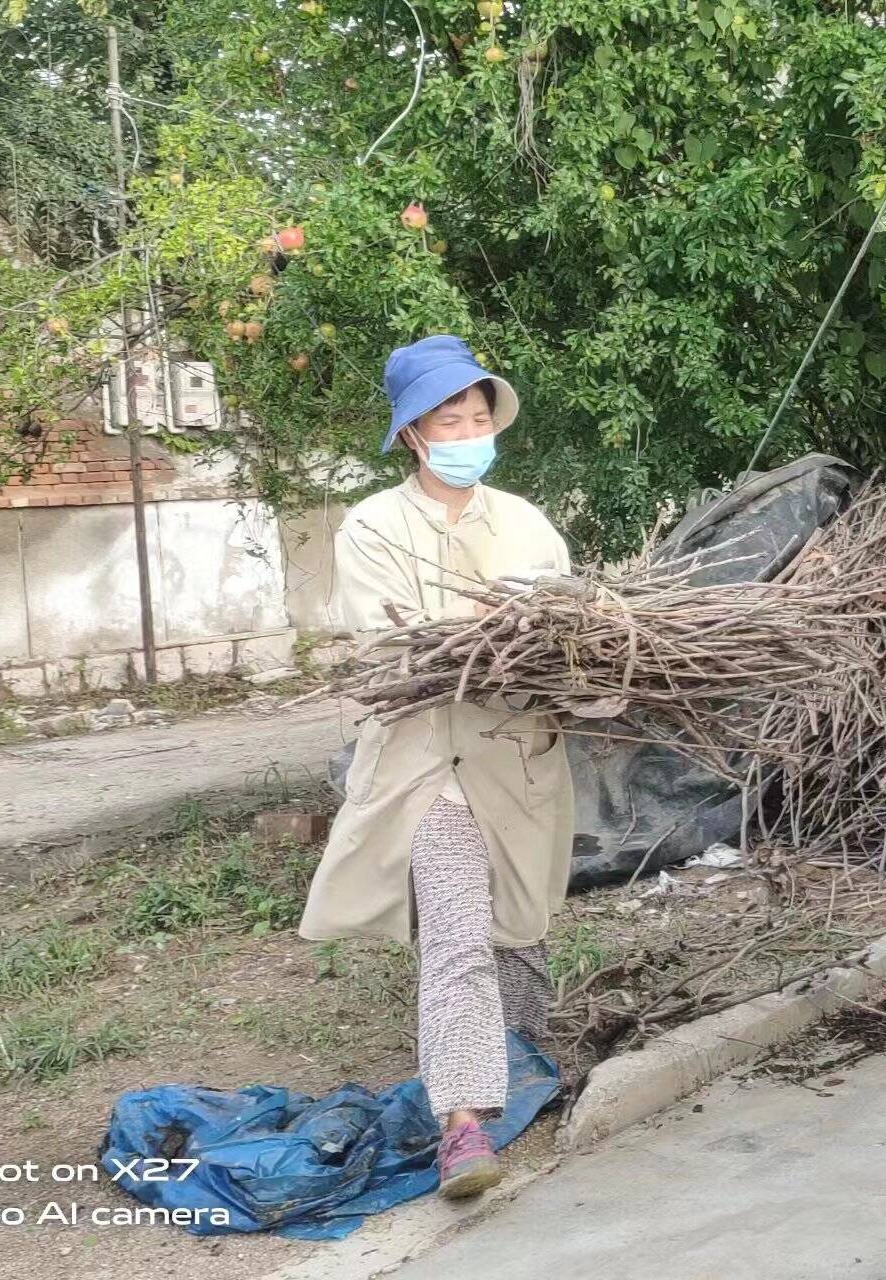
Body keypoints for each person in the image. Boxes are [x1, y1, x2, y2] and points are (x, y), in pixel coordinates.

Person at [298, 335, 575, 1201]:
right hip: (427, 764)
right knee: (455, 934)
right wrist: (503, 625)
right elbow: (397, 645)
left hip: (515, 757)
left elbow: (569, 633)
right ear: (414, 434)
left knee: (518, 926)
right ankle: (463, 1121)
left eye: (478, 416)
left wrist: (547, 636)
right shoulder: (374, 527)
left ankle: (523, 1067)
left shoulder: (526, 523)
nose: (467, 432)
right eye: (447, 419)